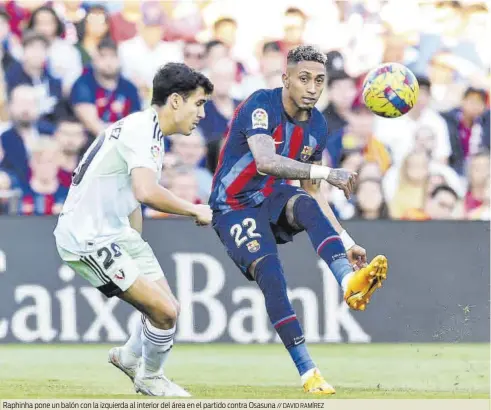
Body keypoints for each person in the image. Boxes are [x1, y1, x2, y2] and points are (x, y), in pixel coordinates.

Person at [208, 45, 388, 395]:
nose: (312, 87)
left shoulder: (318, 125)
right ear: (285, 78)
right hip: (233, 207)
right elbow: (265, 161)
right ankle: (309, 372)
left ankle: (348, 282)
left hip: (271, 197)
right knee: (272, 276)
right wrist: (327, 170)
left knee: (305, 202)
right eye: (303, 78)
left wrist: (347, 242)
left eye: (319, 80)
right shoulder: (261, 104)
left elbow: (315, 191)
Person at [53, 63, 214, 397]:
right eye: (198, 103)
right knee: (164, 312)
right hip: (88, 237)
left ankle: (129, 356)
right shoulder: (142, 131)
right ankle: (150, 378)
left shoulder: (146, 130)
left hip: (116, 232)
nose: (201, 113)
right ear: (174, 101)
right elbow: (145, 192)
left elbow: (131, 198)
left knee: (169, 308)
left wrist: (134, 245)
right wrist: (193, 208)